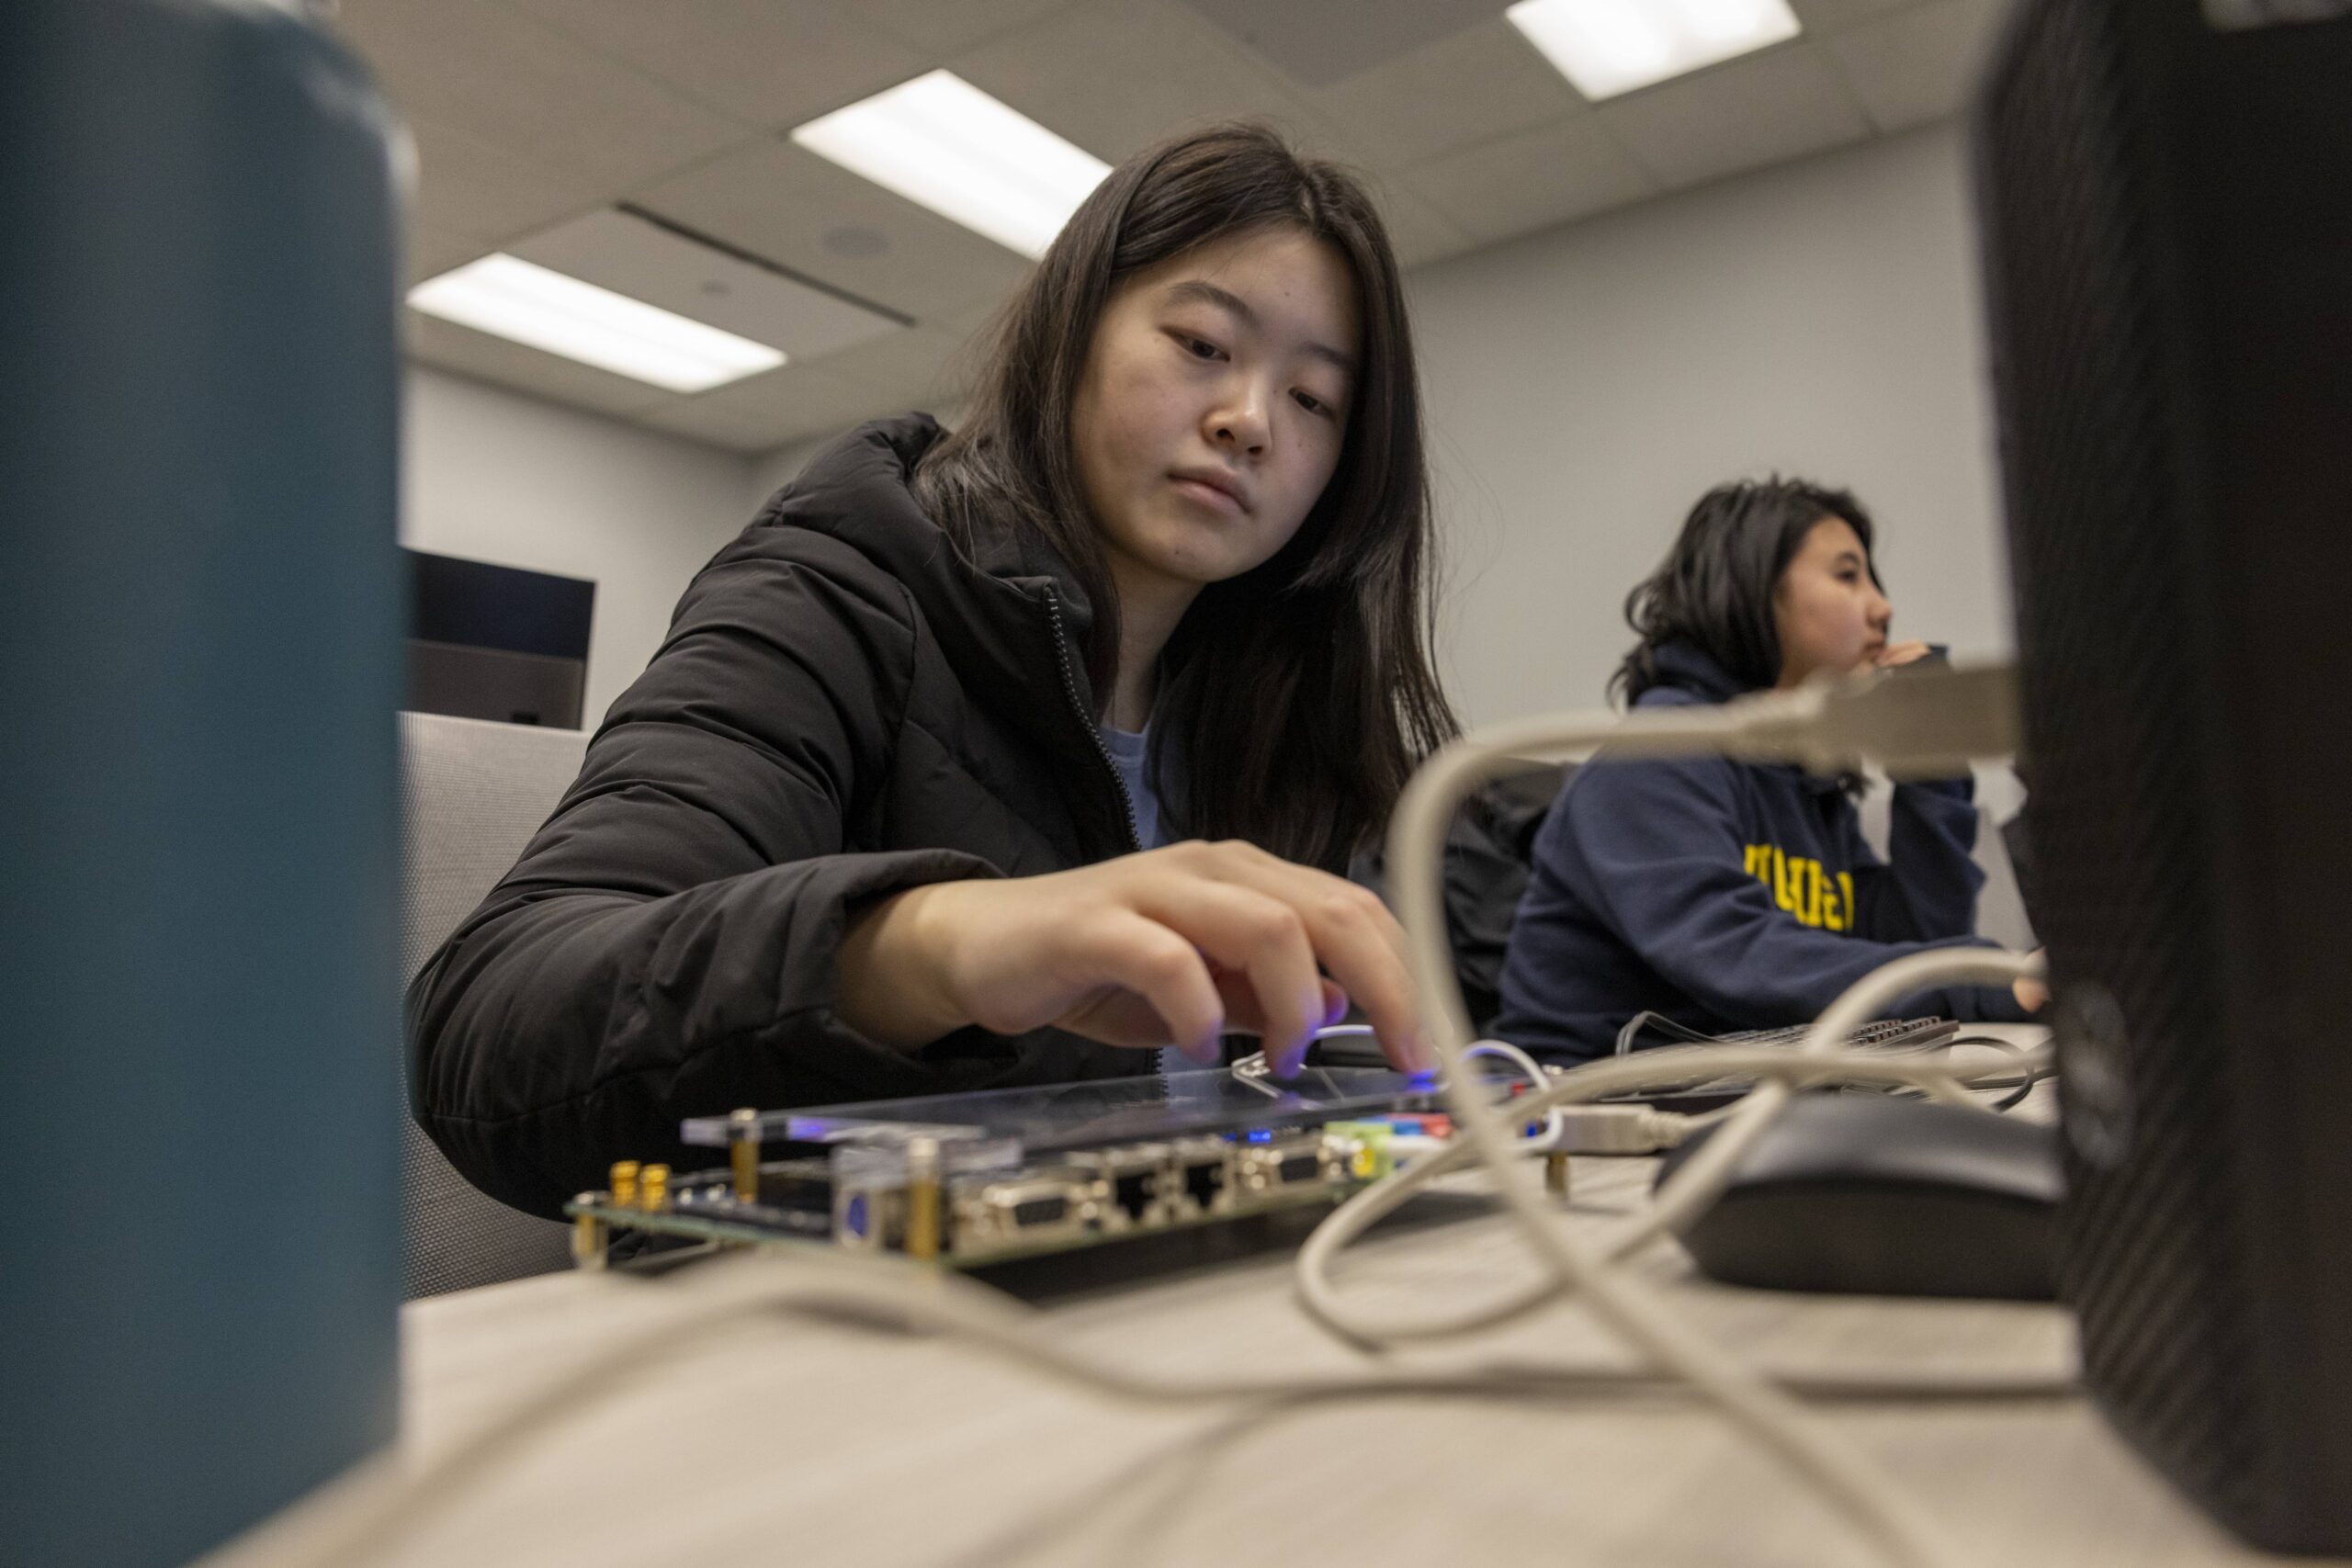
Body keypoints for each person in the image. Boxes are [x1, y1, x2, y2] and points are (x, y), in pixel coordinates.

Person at [407, 124, 1455, 1218]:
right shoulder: (833, 591)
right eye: (1201, 344)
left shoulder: (1285, 707)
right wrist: (929, 944)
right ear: (1072, 337)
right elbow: (488, 1036)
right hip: (850, 1341)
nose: (1249, 421)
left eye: (1314, 402)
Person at [1490, 479, 2039, 1063]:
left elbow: (1914, 941)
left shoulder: (1804, 782)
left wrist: (1929, 758)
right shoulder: (1655, 756)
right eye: (1848, 575)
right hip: (1581, 1106)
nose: (1883, 606)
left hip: (1734, 1084)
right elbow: (1743, 958)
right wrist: (1987, 980)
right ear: (1756, 590)